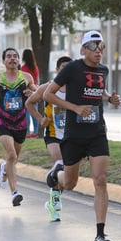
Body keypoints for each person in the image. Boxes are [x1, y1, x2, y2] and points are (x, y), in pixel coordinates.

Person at [43, 30, 121, 241]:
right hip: (74, 134)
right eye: (93, 46)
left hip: (97, 133)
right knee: (70, 183)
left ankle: (99, 236)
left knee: (101, 180)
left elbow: (99, 91)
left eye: (101, 46)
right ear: (83, 49)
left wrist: (109, 98)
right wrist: (75, 107)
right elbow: (49, 94)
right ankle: (55, 175)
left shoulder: (103, 70)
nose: (98, 51)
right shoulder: (72, 68)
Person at [0, 47, 37, 207]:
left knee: (13, 159)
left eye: (15, 56)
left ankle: (4, 168)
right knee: (12, 155)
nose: (12, 59)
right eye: (9, 56)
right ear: (4, 61)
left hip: (21, 123)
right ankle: (15, 193)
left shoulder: (26, 77)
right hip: (3, 122)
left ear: (19, 60)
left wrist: (32, 94)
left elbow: (36, 92)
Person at [25, 56, 72, 222]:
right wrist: (40, 119)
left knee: (65, 175)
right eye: (64, 68)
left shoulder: (77, 88)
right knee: (60, 163)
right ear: (58, 70)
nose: (67, 71)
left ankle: (53, 200)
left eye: (70, 68)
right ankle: (54, 191)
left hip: (71, 137)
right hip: (53, 135)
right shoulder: (47, 87)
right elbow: (29, 103)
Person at [21, 49, 40, 138]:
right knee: (34, 111)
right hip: (35, 91)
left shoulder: (23, 68)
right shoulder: (36, 68)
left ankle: (27, 132)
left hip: (26, 92)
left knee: (26, 113)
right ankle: (36, 131)